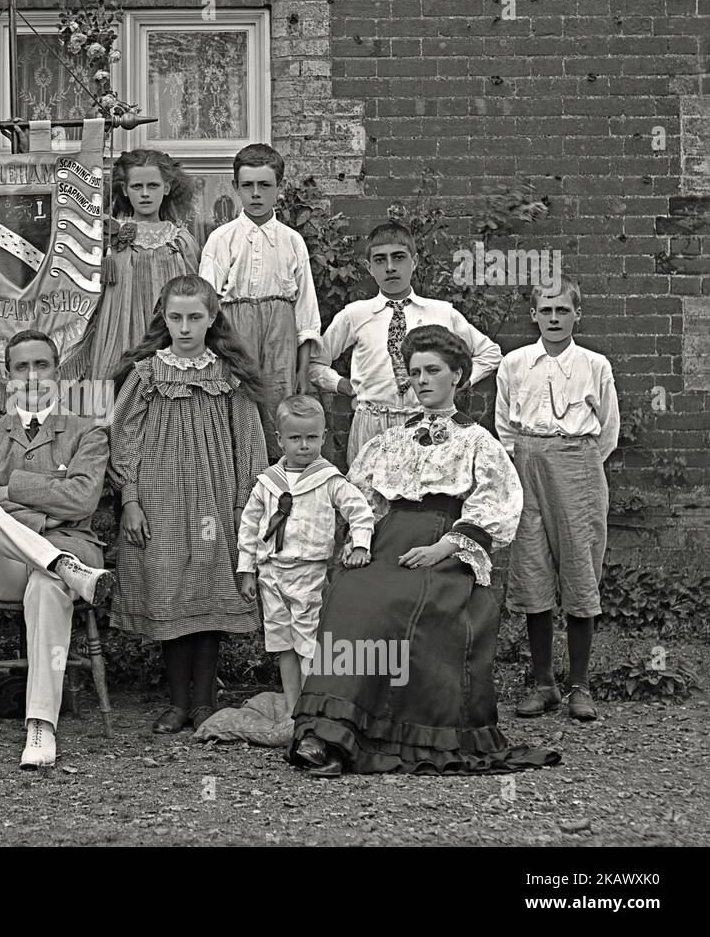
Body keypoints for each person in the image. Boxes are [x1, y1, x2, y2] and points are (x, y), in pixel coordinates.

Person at [289, 325, 560, 777]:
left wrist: (443, 548)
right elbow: (364, 501)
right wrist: (358, 543)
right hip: (387, 540)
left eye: (433, 370)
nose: (422, 380)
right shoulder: (389, 440)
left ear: (457, 375)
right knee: (349, 594)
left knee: (395, 604)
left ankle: (369, 734)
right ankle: (328, 730)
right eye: (414, 373)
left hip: (446, 546)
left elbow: (495, 506)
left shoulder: (478, 442)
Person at [109, 274, 269, 734]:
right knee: (169, 591)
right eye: (175, 317)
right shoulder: (145, 374)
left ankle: (204, 703)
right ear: (164, 316)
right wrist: (131, 500)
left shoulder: (228, 376)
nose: (184, 327)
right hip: (159, 499)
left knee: (208, 589)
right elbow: (123, 440)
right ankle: (177, 702)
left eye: (194, 317)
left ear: (212, 317)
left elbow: (250, 445)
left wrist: (244, 506)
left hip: (215, 500)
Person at [0, 329, 114, 771]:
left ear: (57, 373)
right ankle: (60, 564)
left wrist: (11, 490)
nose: (32, 375)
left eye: (41, 365)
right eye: (21, 366)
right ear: (8, 377)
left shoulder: (87, 432)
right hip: (2, 564)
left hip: (70, 548)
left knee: (47, 584)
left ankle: (40, 727)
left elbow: (82, 500)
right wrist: (47, 516)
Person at [497, 280, 619, 723]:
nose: (553, 317)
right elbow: (504, 426)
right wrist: (530, 459)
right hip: (527, 464)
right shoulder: (514, 363)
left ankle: (579, 685)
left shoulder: (594, 365)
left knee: (579, 570)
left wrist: (574, 462)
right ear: (533, 315)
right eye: (545, 310)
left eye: (562, 310)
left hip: (578, 467)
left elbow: (606, 432)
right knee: (532, 571)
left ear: (577, 314)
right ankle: (544, 683)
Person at [309, 222, 503, 466]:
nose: (390, 267)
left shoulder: (442, 313)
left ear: (414, 262)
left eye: (398, 258)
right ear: (369, 267)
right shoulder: (355, 315)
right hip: (372, 422)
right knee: (370, 495)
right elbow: (315, 364)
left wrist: (458, 382)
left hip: (425, 421)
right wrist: (345, 386)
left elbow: (490, 353)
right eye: (380, 260)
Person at [236, 394, 375, 717]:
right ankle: (292, 706)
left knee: (308, 643)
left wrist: (359, 545)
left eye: (312, 437)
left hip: (308, 572)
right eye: (295, 438)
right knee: (281, 641)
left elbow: (360, 512)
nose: (304, 446)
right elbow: (250, 525)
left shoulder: (329, 480)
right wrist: (247, 569)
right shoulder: (267, 483)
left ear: (323, 437)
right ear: (279, 439)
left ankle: (313, 707)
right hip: (271, 573)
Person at [198, 143, 321, 460]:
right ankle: (238, 487)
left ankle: (278, 484)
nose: (256, 194)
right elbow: (207, 303)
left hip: (280, 331)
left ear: (278, 187)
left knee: (278, 406)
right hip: (234, 329)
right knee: (235, 404)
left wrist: (303, 370)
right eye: (248, 185)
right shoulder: (221, 239)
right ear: (235, 187)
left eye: (264, 185)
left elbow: (306, 312)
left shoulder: (292, 241)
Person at [86, 148, 198, 381]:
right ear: (125, 190)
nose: (145, 194)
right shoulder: (108, 234)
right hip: (119, 330)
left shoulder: (180, 239)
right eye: (137, 187)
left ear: (166, 188)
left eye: (153, 186)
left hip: (169, 333)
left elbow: (196, 294)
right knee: (113, 395)